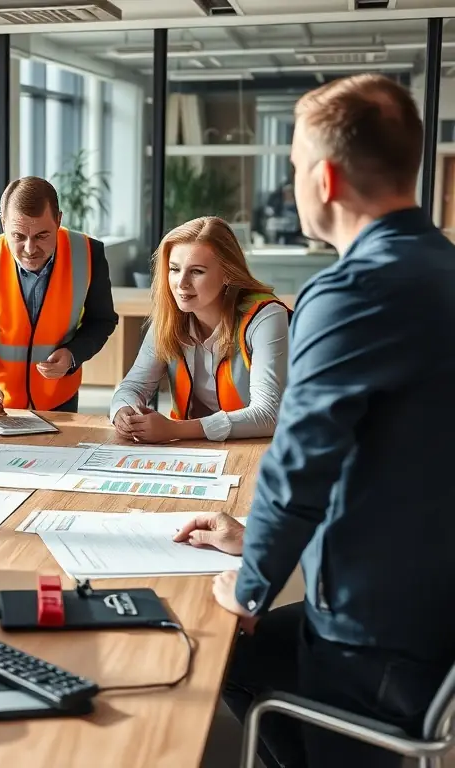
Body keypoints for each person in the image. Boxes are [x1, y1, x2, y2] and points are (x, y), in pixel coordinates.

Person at [173, 74, 455, 768]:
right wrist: (251, 537)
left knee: (225, 642)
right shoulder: (443, 267)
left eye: (295, 166)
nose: (293, 180)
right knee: (252, 661)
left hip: (375, 628)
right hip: (432, 606)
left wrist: (248, 586)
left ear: (324, 178)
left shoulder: (351, 291)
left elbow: (299, 462)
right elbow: (394, 452)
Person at [108, 216, 289, 443]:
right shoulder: (169, 317)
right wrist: (123, 412)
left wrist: (175, 430)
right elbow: (133, 386)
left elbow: (267, 415)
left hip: (259, 448)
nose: (181, 283)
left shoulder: (266, 317)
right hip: (194, 452)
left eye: (197, 271)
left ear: (227, 273)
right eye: (174, 269)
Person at [0, 176, 117, 416]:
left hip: (60, 399)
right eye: (18, 236)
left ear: (59, 220)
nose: (30, 249)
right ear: (3, 222)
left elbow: (102, 321)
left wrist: (72, 355)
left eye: (41, 235)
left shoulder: (89, 254)